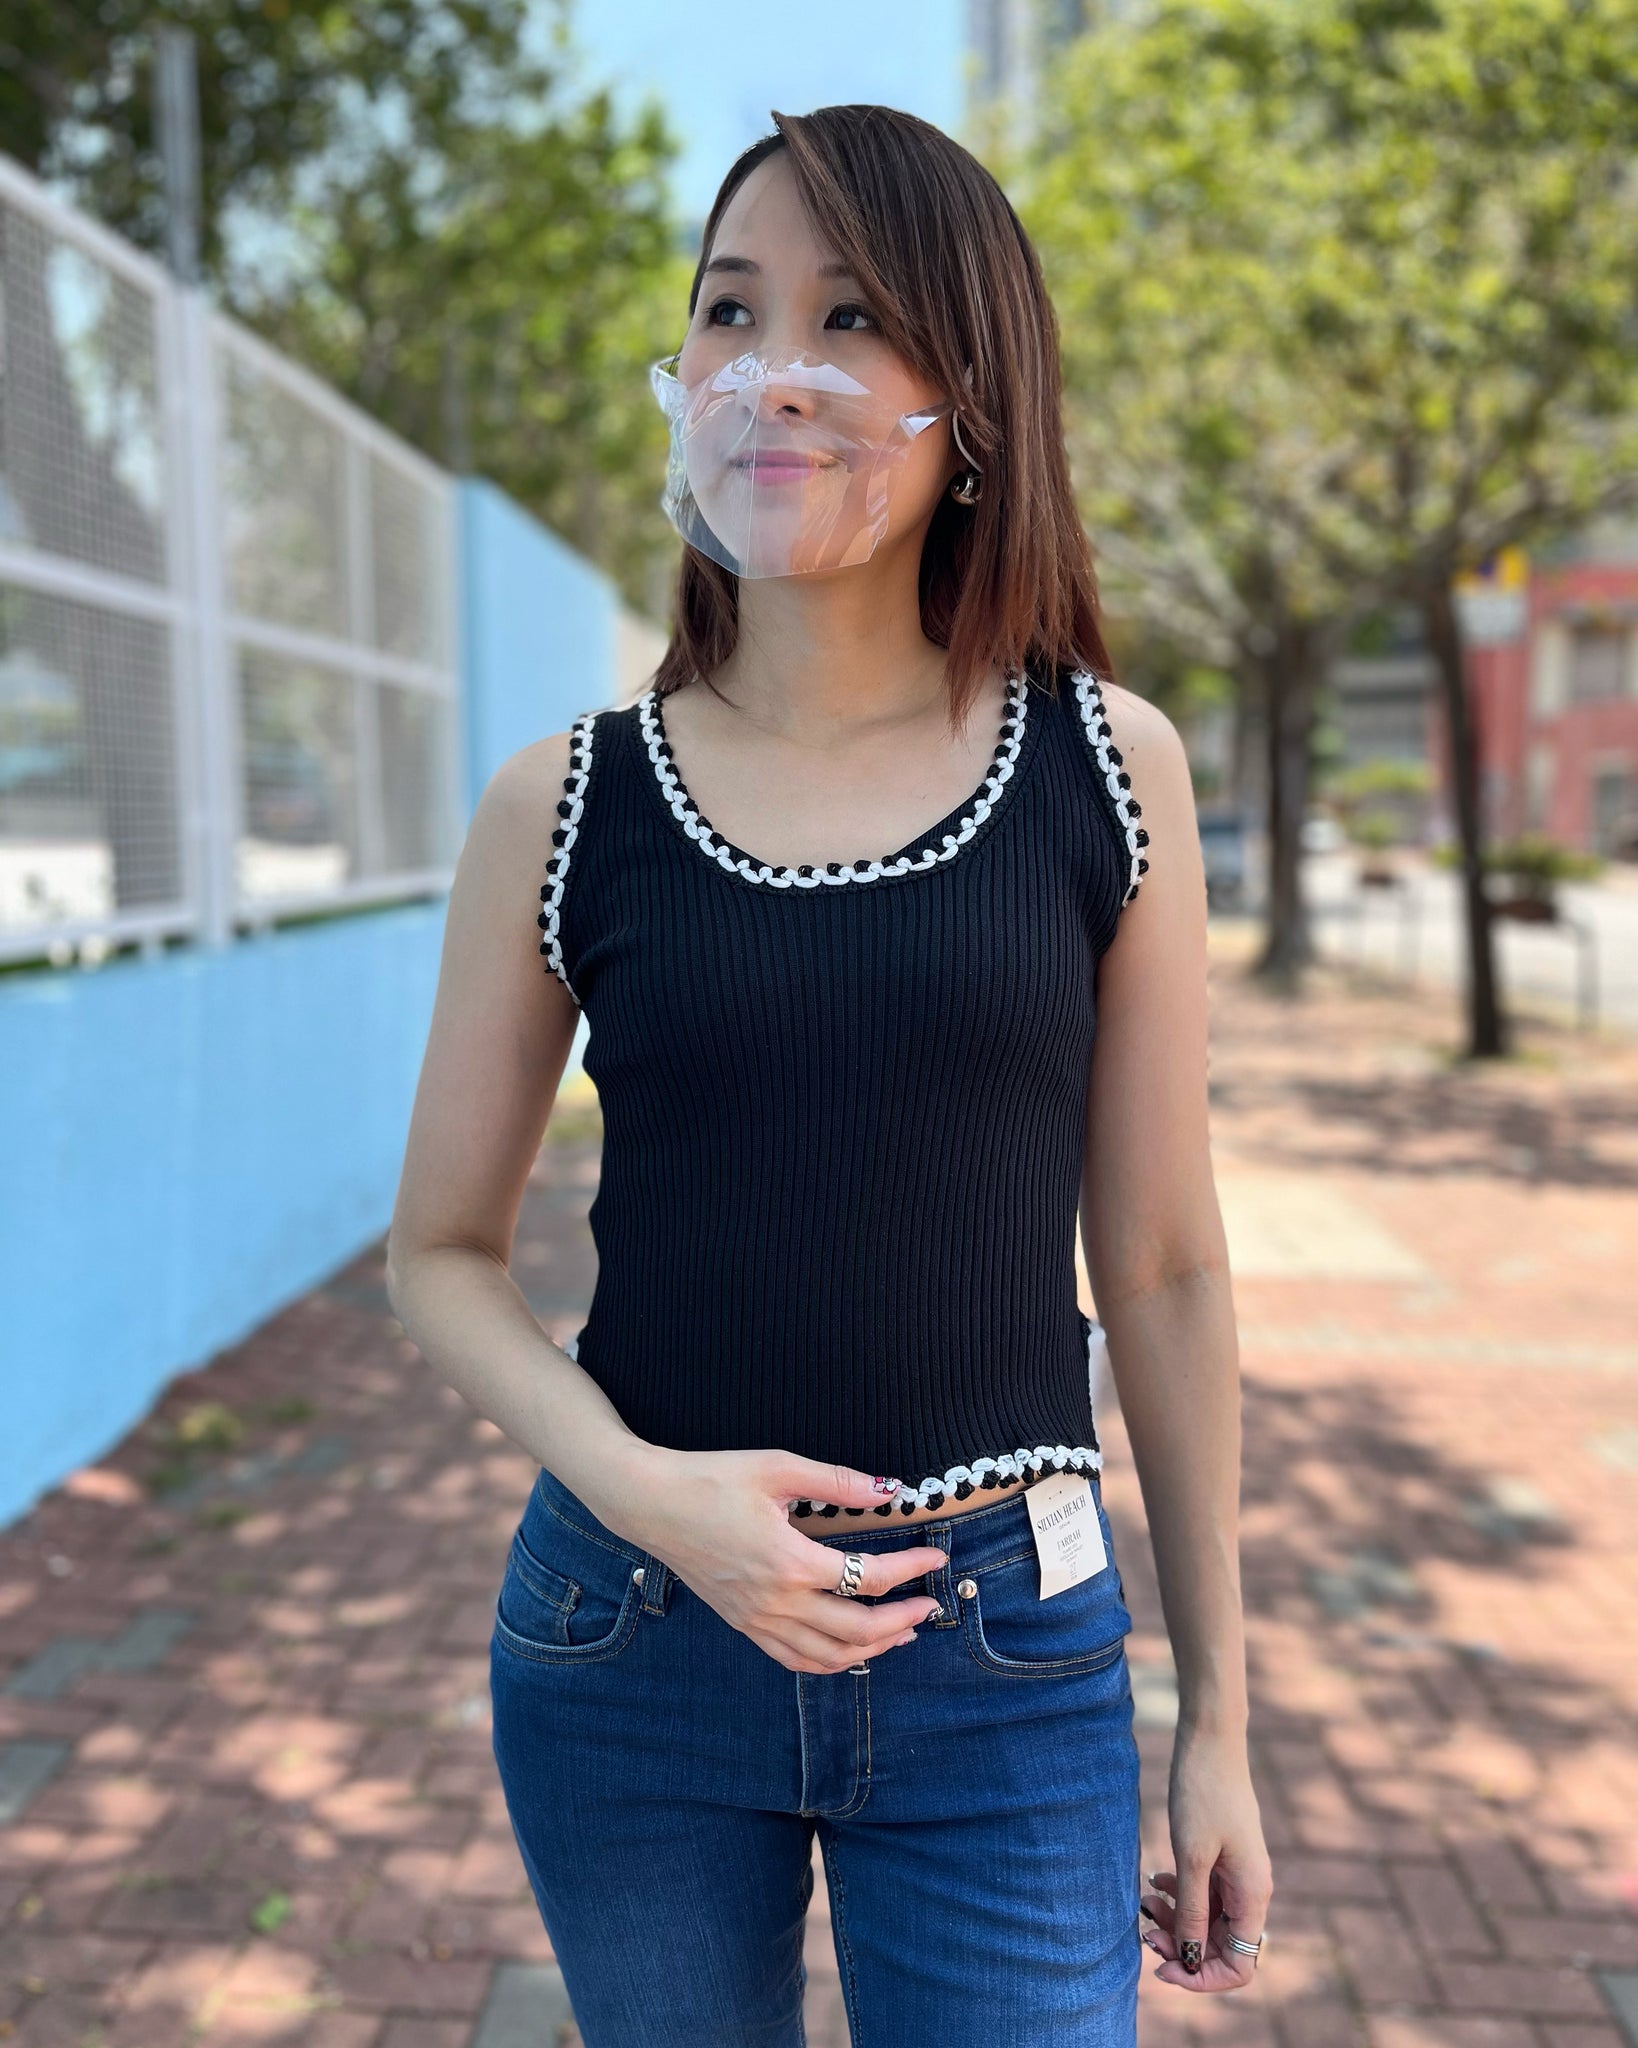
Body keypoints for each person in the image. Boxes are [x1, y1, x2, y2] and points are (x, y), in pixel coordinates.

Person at [385, 102, 1271, 2048]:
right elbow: (437, 1252)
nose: (775, 372)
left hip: (1007, 1653)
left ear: (974, 395)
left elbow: (1170, 1266)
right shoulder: (564, 804)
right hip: (632, 1633)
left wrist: (1218, 1711)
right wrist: (652, 1496)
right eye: (729, 310)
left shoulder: (1107, 769)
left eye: (852, 314)